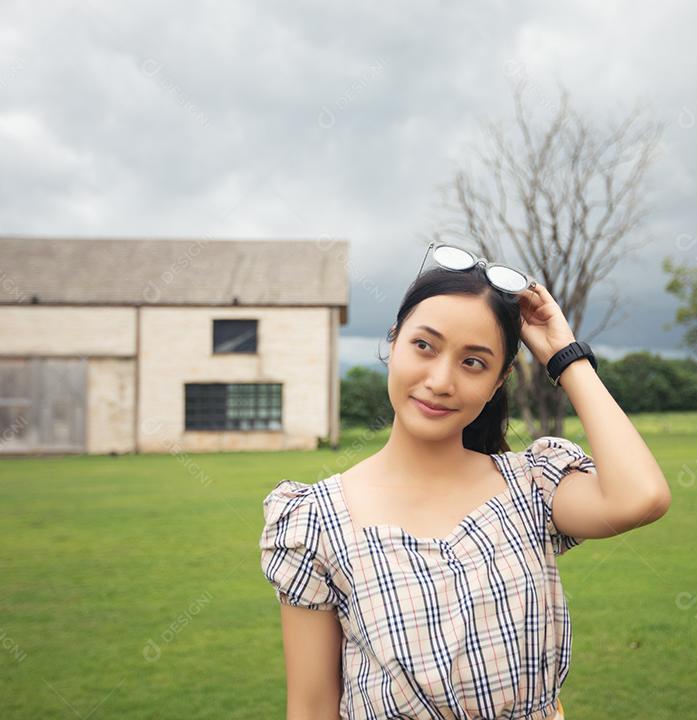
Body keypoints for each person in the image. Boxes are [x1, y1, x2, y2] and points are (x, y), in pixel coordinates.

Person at [260, 246, 672, 719]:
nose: (440, 380)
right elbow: (311, 708)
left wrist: (565, 357)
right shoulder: (314, 521)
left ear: (499, 381)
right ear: (393, 342)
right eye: (424, 346)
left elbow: (642, 497)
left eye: (473, 362)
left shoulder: (531, 488)